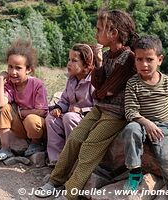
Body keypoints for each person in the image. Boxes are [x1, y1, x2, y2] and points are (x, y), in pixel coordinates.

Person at [36, 9, 138, 200]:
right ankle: (54, 181)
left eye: (99, 30)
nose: (95, 34)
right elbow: (99, 85)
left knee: (90, 146)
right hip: (101, 108)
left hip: (116, 114)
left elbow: (105, 90)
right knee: (75, 139)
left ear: (113, 33)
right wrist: (99, 62)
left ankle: (69, 193)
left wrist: (100, 80)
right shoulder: (108, 55)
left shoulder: (128, 58)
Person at [122, 35, 168, 200]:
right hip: (141, 124)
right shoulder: (132, 83)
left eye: (149, 59)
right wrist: (146, 122)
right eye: (139, 59)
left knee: (167, 159)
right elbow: (130, 111)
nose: (144, 64)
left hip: (164, 127)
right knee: (130, 129)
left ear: (160, 59)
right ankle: (135, 172)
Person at [0, 39, 49, 162]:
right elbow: (0, 103)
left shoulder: (37, 84)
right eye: (10, 67)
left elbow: (42, 111)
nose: (13, 72)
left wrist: (21, 113)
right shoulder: (10, 84)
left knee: (32, 119)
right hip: (20, 127)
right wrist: (0, 79)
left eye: (18, 68)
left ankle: (36, 143)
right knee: (3, 109)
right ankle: (5, 148)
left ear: (28, 69)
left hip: (35, 126)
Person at [46, 43, 95, 166]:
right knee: (51, 119)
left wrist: (80, 110)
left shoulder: (93, 81)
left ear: (86, 64)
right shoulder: (71, 80)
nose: (69, 64)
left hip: (88, 119)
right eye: (69, 59)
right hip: (71, 115)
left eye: (74, 61)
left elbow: (99, 106)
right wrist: (58, 108)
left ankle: (72, 159)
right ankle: (56, 159)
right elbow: (65, 100)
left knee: (69, 117)